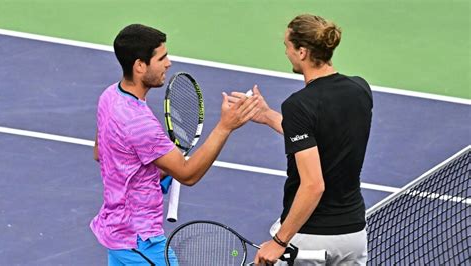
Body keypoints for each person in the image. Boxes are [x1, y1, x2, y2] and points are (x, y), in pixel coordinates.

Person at [91, 24, 259, 266]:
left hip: (117, 232)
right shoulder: (140, 122)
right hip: (141, 242)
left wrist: (156, 172)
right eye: (161, 57)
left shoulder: (109, 97)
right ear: (140, 66)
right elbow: (188, 175)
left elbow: (102, 154)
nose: (168, 63)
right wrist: (225, 126)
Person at [231, 14, 373, 265]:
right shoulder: (360, 89)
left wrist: (279, 241)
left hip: (311, 240)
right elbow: (323, 136)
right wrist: (267, 116)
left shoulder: (299, 105)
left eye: (287, 46)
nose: (286, 52)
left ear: (302, 52)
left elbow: (313, 185)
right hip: (353, 235)